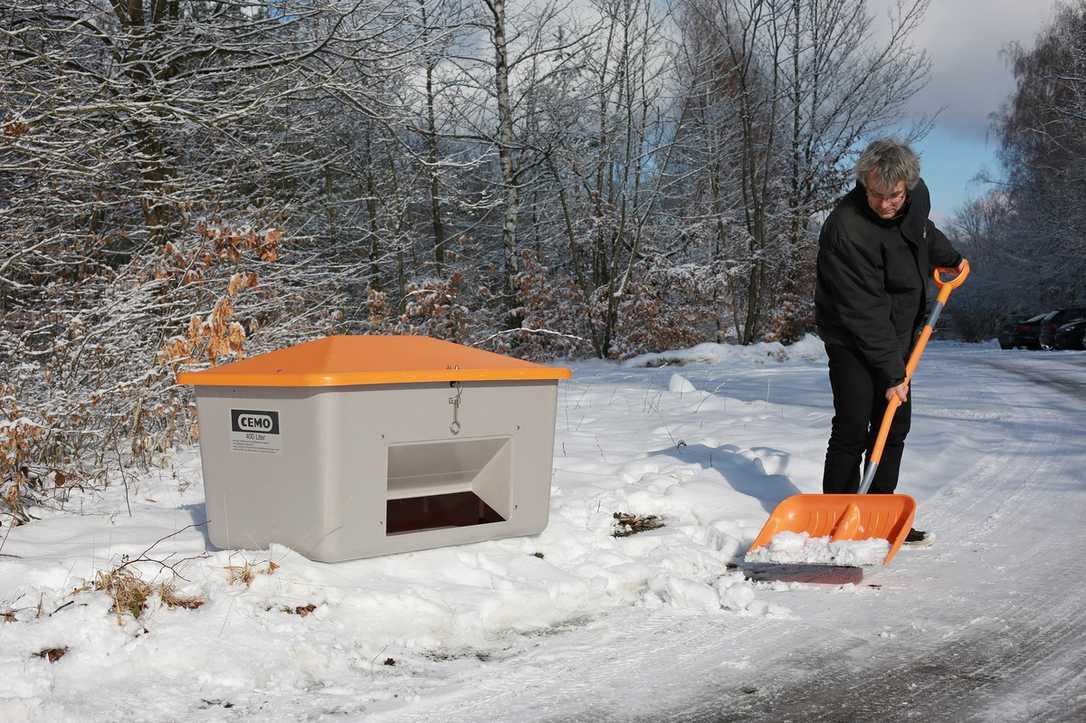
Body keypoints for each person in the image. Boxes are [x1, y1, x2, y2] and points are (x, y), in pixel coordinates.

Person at [814, 139, 966, 544]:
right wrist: (892, 372)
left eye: (894, 196)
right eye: (877, 195)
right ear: (864, 184)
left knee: (894, 423)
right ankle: (837, 517)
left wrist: (948, 257)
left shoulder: (915, 197)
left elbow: (921, 232)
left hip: (897, 331)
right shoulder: (846, 229)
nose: (886, 204)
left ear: (907, 186)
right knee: (853, 423)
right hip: (851, 334)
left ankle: (879, 512)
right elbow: (863, 310)